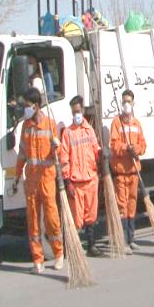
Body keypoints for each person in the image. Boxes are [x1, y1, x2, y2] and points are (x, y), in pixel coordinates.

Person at [11, 87, 64, 273]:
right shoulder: (26, 126)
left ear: (35, 105)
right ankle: (38, 260)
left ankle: (58, 254)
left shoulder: (50, 124)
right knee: (33, 220)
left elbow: (60, 152)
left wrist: (57, 146)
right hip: (31, 180)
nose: (25, 108)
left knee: (51, 219)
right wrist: (17, 176)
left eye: (26, 105)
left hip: (47, 179)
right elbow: (22, 155)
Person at [59, 95, 101, 258]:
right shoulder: (68, 133)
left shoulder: (89, 130)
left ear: (83, 110)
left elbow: (95, 150)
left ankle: (91, 245)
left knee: (91, 215)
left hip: (91, 179)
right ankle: (74, 248)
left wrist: (101, 158)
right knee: (76, 218)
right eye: (73, 112)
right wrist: (67, 181)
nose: (76, 114)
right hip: (76, 182)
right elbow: (64, 158)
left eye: (78, 111)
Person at [110, 89, 147, 252]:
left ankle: (131, 238)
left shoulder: (137, 123)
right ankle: (123, 240)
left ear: (133, 103)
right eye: (124, 101)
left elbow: (143, 145)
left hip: (133, 171)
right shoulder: (116, 123)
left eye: (129, 101)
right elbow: (114, 145)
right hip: (121, 171)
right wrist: (127, 148)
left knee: (132, 204)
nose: (126, 104)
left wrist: (137, 149)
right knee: (122, 206)